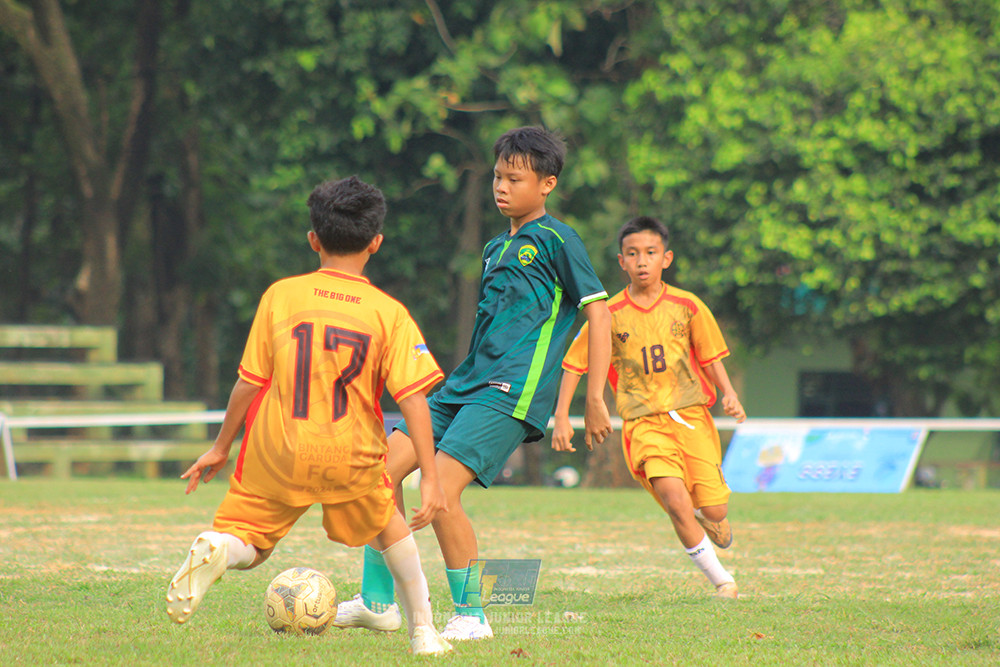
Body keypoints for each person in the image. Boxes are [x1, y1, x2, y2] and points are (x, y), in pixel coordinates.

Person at [334, 126, 613, 641]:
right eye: (497, 176)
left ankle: (472, 616)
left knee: (440, 487)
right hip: (464, 384)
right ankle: (377, 602)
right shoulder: (493, 248)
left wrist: (593, 398)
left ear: (547, 183)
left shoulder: (558, 239)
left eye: (515, 178)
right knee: (377, 474)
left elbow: (599, 315)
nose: (501, 187)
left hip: (511, 391)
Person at [165, 175, 453, 656]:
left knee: (251, 545)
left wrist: (221, 446)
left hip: (277, 450)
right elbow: (413, 399)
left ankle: (221, 549)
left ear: (313, 239)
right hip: (351, 454)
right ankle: (424, 632)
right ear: (376, 243)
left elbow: (249, 382)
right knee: (390, 530)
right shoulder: (389, 312)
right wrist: (428, 478)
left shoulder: (281, 295)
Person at [552, 215, 746, 599]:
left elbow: (710, 355)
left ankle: (710, 518)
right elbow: (575, 363)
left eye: (650, 253)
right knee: (675, 501)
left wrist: (728, 392)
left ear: (666, 258)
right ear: (621, 261)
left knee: (715, 510)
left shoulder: (687, 305)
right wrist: (561, 416)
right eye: (633, 254)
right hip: (643, 425)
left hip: (691, 419)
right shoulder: (605, 313)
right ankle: (722, 581)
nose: (642, 261)